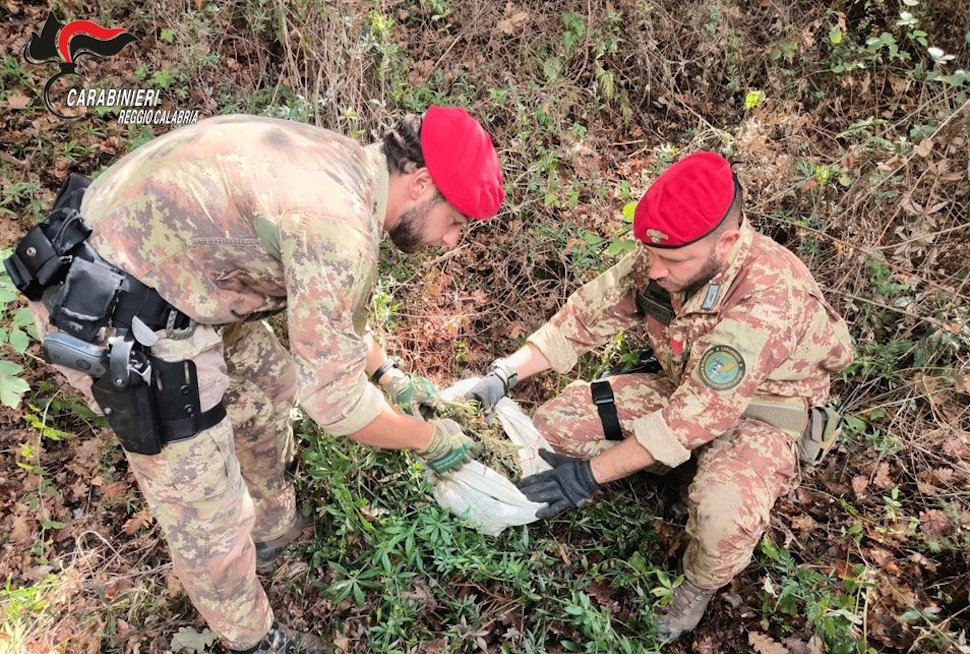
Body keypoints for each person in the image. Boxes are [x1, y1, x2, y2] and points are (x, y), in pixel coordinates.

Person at [4, 106, 504, 654]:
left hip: (178, 281)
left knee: (269, 384)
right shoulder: (336, 223)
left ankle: (273, 525)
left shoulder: (351, 171)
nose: (453, 241)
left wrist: (389, 377)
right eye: (455, 221)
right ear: (421, 184)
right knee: (208, 514)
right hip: (112, 311)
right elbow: (335, 405)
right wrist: (429, 441)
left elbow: (338, 320)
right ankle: (254, 640)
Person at [467, 151, 853, 643]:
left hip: (760, 416)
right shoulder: (665, 258)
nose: (654, 271)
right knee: (554, 424)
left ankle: (698, 586)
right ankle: (676, 468)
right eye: (649, 254)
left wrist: (586, 477)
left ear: (727, 242)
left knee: (720, 515)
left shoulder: (770, 298)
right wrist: (504, 374)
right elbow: (584, 318)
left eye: (671, 260)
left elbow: (694, 418)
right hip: (683, 390)